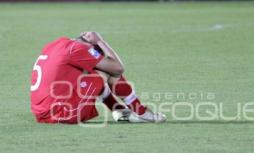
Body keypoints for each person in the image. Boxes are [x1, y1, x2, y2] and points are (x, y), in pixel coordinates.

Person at [30, 31, 166, 124]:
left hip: (42, 112)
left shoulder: (57, 44)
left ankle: (118, 110)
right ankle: (141, 112)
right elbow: (118, 68)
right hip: (60, 113)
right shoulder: (77, 49)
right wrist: (101, 41)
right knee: (105, 71)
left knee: (93, 73)